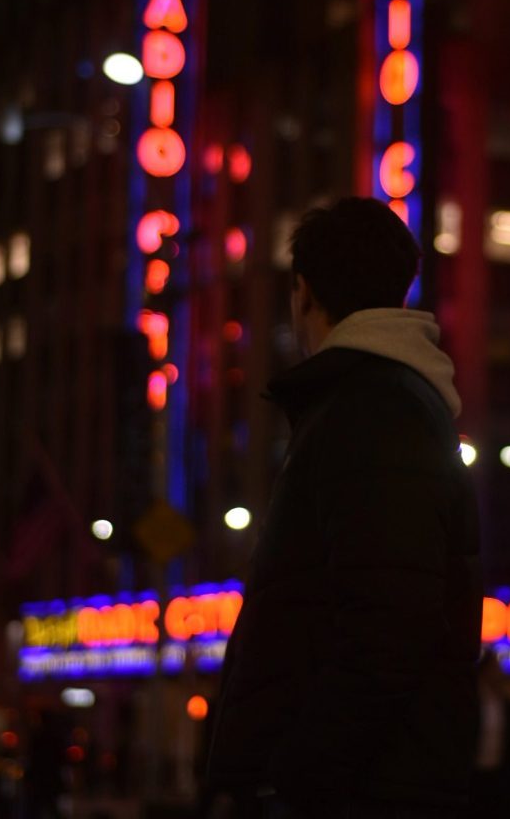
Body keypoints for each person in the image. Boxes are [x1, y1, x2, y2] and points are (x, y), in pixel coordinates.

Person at [205, 197, 482, 819]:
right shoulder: (382, 403)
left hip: (358, 792)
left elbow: (388, 624)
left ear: (303, 292)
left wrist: (292, 776)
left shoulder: (371, 408)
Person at [469, 650, 510, 819]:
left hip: (499, 777)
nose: (499, 672)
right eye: (495, 667)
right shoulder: (471, 701)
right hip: (472, 777)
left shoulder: (506, 705)